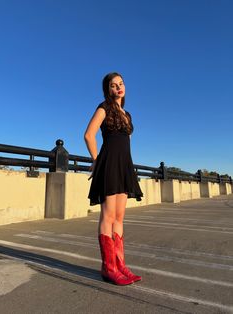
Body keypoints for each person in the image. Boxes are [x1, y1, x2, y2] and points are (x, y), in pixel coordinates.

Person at [84, 72, 143, 285]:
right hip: (108, 164)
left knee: (119, 217)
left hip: (124, 166)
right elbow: (88, 135)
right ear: (108, 90)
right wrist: (96, 160)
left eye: (121, 83)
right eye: (113, 85)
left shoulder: (127, 114)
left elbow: (126, 142)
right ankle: (109, 268)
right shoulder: (104, 108)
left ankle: (120, 265)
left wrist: (127, 165)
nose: (118, 87)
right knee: (108, 217)